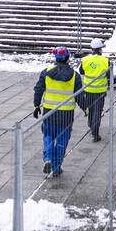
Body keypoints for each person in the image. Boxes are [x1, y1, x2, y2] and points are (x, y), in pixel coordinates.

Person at [32, 46, 83, 177]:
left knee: (48, 136)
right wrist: (86, 108)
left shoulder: (46, 72)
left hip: (49, 113)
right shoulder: (74, 76)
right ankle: (56, 166)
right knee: (62, 141)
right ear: (67, 58)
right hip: (66, 115)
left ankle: (48, 158)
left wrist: (37, 105)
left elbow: (38, 89)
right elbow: (79, 96)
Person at [79, 38, 111, 142]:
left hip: (88, 90)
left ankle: (90, 124)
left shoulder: (85, 60)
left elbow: (82, 72)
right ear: (100, 49)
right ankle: (95, 133)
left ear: (92, 49)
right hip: (100, 91)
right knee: (97, 111)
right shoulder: (106, 61)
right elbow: (109, 74)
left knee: (91, 109)